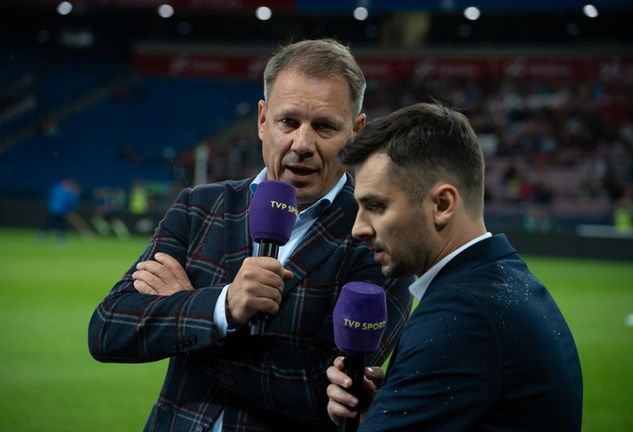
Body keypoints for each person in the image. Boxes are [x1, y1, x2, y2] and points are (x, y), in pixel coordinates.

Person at [88, 39, 413, 432]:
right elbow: (108, 329)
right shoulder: (200, 207)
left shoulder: (379, 241)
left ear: (356, 133)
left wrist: (193, 314)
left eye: (324, 126)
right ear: (262, 121)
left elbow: (328, 394)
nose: (302, 144)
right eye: (288, 122)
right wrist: (222, 306)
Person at [326, 103, 583, 431]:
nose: (358, 228)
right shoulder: (509, 280)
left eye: (376, 206)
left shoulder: (458, 318)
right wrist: (382, 414)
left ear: (442, 205)